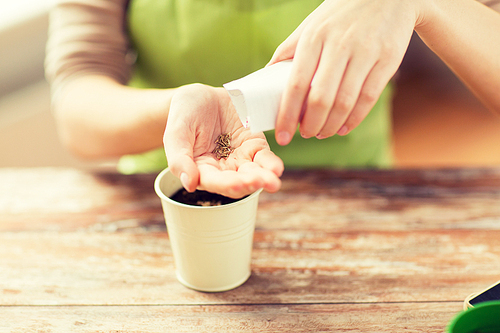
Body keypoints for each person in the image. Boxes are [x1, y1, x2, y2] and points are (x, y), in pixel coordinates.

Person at [45, 0, 500, 199]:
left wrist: (425, 2)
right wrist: (182, 110)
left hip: (354, 196)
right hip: (173, 193)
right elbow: (77, 112)